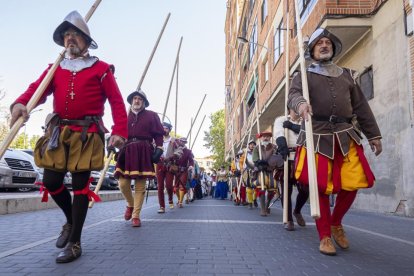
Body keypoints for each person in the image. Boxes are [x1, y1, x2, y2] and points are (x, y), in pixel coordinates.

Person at [9, 11, 127, 263]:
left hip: (87, 135)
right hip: (58, 134)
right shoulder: (55, 69)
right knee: (51, 181)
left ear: (85, 40)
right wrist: (20, 103)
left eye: (74, 34)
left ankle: (75, 242)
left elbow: (117, 103)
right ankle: (71, 221)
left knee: (82, 187)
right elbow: (36, 91)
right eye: (66, 35)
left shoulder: (102, 69)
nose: (69, 39)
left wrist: (119, 131)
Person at [288, 28, 382, 256]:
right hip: (316, 134)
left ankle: (336, 222)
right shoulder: (303, 73)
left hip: (345, 134)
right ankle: (325, 236)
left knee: (355, 181)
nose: (323, 45)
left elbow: (361, 107)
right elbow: (293, 94)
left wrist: (374, 135)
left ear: (332, 48)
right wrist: (300, 105)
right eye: (319, 43)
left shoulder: (347, 75)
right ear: (312, 49)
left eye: (327, 43)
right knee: (320, 186)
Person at [114, 89, 164, 227]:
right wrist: (112, 144)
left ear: (144, 102)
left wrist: (159, 149)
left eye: (140, 99)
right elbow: (117, 132)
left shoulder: (152, 116)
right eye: (135, 98)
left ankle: (136, 215)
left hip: (143, 150)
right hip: (126, 150)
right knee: (123, 184)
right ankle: (130, 204)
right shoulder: (124, 115)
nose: (137, 101)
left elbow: (159, 135)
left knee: (140, 186)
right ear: (131, 101)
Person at [273, 107, 309, 231]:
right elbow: (278, 133)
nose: (299, 110)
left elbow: (309, 133)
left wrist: (294, 127)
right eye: (296, 108)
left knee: (306, 189)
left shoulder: (306, 120)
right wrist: (282, 145)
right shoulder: (281, 120)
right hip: (286, 157)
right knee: (286, 191)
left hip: (302, 157)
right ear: (290, 108)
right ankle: (288, 219)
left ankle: (297, 211)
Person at [252, 130, 282, 216]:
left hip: (271, 170)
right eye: (264, 136)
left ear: (270, 138)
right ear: (261, 138)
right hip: (261, 170)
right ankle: (262, 209)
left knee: (272, 190)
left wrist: (269, 164)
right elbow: (255, 158)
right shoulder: (257, 148)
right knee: (261, 188)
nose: (266, 138)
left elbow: (277, 158)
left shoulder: (274, 147)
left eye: (267, 136)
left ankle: (267, 205)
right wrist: (259, 163)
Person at [156, 122, 182, 213]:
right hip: (159, 164)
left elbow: (179, 150)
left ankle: (170, 199)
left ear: (169, 130)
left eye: (166, 128)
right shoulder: (157, 139)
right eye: (162, 128)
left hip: (170, 165)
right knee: (160, 186)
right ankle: (162, 206)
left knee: (169, 185)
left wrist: (172, 156)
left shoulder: (173, 140)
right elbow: (151, 148)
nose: (164, 130)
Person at [173, 137, 194, 207]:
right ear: (179, 141)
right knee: (175, 187)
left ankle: (181, 202)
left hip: (184, 170)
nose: (182, 143)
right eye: (181, 141)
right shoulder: (175, 149)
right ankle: (179, 199)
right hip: (176, 170)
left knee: (182, 186)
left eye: (184, 142)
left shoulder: (188, 151)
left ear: (185, 143)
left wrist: (191, 166)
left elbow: (191, 160)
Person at [243, 140, 258, 209]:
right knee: (249, 188)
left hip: (256, 171)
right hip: (248, 171)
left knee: (257, 187)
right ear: (249, 145)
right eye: (251, 144)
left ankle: (254, 199)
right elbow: (241, 162)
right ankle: (250, 202)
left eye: (253, 144)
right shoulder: (245, 153)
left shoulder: (258, 152)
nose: (252, 145)